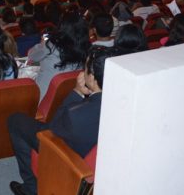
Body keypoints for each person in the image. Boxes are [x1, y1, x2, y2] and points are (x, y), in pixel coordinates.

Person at [7, 46, 116, 195]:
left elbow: (52, 130)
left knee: (16, 120)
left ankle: (31, 189)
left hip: (65, 154)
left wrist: (76, 92)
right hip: (91, 151)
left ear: (91, 77)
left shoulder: (78, 115)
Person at [27, 13, 90, 101]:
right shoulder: (86, 49)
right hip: (72, 97)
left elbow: (32, 55)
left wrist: (42, 44)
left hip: (44, 98)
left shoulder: (51, 44)